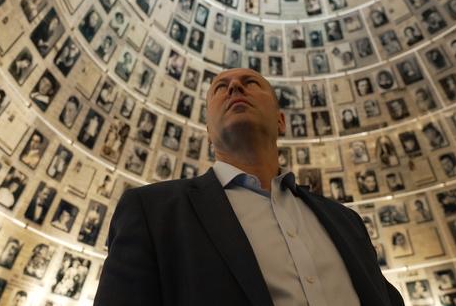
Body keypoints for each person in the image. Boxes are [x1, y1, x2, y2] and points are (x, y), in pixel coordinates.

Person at [95, 68, 404, 305]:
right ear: (208, 133)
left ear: (281, 122)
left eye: (251, 83)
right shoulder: (152, 212)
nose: (234, 87)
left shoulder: (346, 222)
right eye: (220, 88)